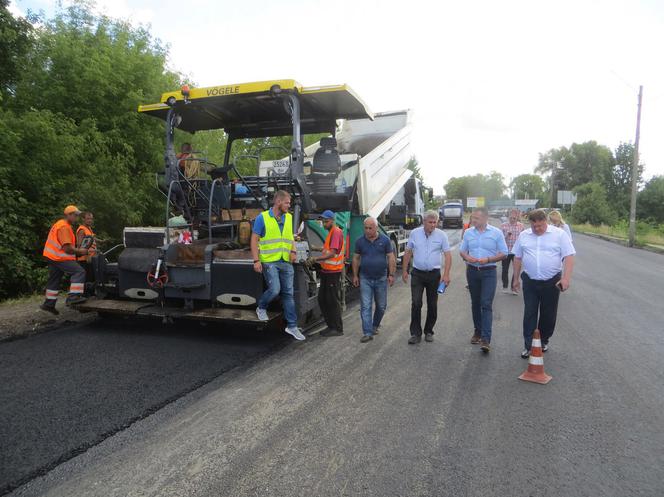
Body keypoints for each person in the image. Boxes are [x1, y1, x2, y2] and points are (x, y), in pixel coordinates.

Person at [512, 209, 576, 358]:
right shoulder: (524, 236)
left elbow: (569, 256)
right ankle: (529, 346)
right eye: (534, 226)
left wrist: (566, 278)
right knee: (530, 313)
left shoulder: (559, 235)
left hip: (552, 281)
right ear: (530, 224)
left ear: (545, 221)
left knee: (548, 315)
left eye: (540, 226)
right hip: (530, 280)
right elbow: (517, 258)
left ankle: (543, 340)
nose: (537, 229)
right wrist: (515, 279)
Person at [250, 190, 305, 341]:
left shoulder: (289, 218)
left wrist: (293, 250)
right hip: (269, 261)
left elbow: (290, 237)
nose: (289, 205)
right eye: (287, 203)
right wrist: (256, 260)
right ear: (278, 202)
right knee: (275, 290)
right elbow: (254, 239)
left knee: (288, 294)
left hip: (285, 261)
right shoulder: (263, 218)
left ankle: (292, 326)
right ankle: (261, 307)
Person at [459, 206, 508, 353]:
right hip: (472, 271)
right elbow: (462, 251)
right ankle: (478, 331)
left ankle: (486, 339)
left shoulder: (496, 233)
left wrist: (488, 259)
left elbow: (504, 253)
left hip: (489, 272)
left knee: (486, 303)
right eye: (473, 217)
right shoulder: (468, 233)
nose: (473, 220)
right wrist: (467, 257)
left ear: (486, 218)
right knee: (475, 303)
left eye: (476, 218)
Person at [402, 211, 452, 344]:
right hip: (417, 273)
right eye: (430, 222)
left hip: (434, 275)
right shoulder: (414, 233)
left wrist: (446, 274)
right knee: (416, 303)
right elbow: (408, 252)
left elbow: (448, 255)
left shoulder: (442, 235)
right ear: (424, 222)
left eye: (435, 222)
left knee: (432, 304)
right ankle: (415, 334)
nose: (433, 225)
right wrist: (404, 270)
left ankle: (429, 331)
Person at [352, 217, 396, 343]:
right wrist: (355, 275)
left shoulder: (385, 240)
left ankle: (375, 325)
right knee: (366, 306)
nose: (367, 230)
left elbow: (391, 258)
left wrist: (391, 274)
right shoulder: (360, 241)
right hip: (365, 278)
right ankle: (367, 332)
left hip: (381, 278)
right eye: (365, 228)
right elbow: (355, 258)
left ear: (376, 228)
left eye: (370, 228)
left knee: (381, 306)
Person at [40, 205, 90, 315]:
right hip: (59, 257)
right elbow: (67, 248)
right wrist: (81, 251)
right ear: (69, 215)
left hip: (52, 257)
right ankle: (73, 297)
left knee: (54, 279)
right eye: (76, 215)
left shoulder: (60, 224)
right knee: (79, 271)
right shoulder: (64, 227)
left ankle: (49, 304)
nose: (77, 218)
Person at [309, 210, 346, 337]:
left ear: (332, 220)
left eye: (326, 221)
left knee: (331, 300)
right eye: (323, 221)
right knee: (323, 299)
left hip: (332, 272)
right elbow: (328, 249)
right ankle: (331, 326)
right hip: (327, 271)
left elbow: (332, 253)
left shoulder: (335, 232)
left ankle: (337, 328)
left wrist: (315, 259)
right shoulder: (331, 232)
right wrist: (316, 248)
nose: (324, 223)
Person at [500, 208, 525, 294]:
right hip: (506, 251)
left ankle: (513, 288)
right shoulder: (503, 225)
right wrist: (507, 235)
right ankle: (505, 286)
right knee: (505, 269)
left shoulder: (521, 226)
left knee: (516, 269)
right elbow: (500, 239)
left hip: (516, 252)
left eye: (514, 218)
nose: (512, 219)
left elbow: (524, 238)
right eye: (511, 217)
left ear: (517, 217)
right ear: (508, 216)